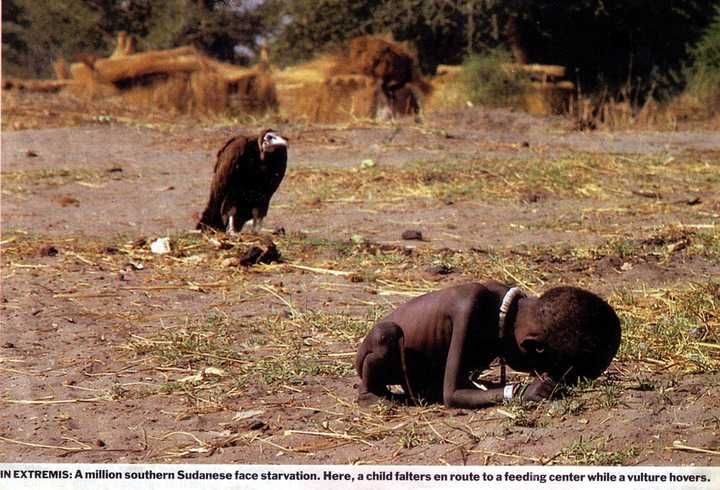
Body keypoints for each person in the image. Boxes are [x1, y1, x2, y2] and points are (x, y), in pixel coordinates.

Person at [355, 281, 621, 407]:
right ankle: (370, 392)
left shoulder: (510, 311)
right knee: (384, 338)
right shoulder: (471, 306)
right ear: (532, 346)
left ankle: (423, 388)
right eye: (538, 369)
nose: (537, 376)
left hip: (425, 371)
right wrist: (515, 392)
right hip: (387, 357)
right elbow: (452, 396)